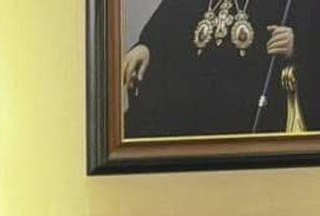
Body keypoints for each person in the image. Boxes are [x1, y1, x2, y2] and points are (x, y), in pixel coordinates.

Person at [122, 0, 317, 136]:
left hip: (255, 115)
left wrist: (297, 44)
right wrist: (146, 47)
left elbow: (312, 30)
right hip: (192, 114)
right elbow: (167, 26)